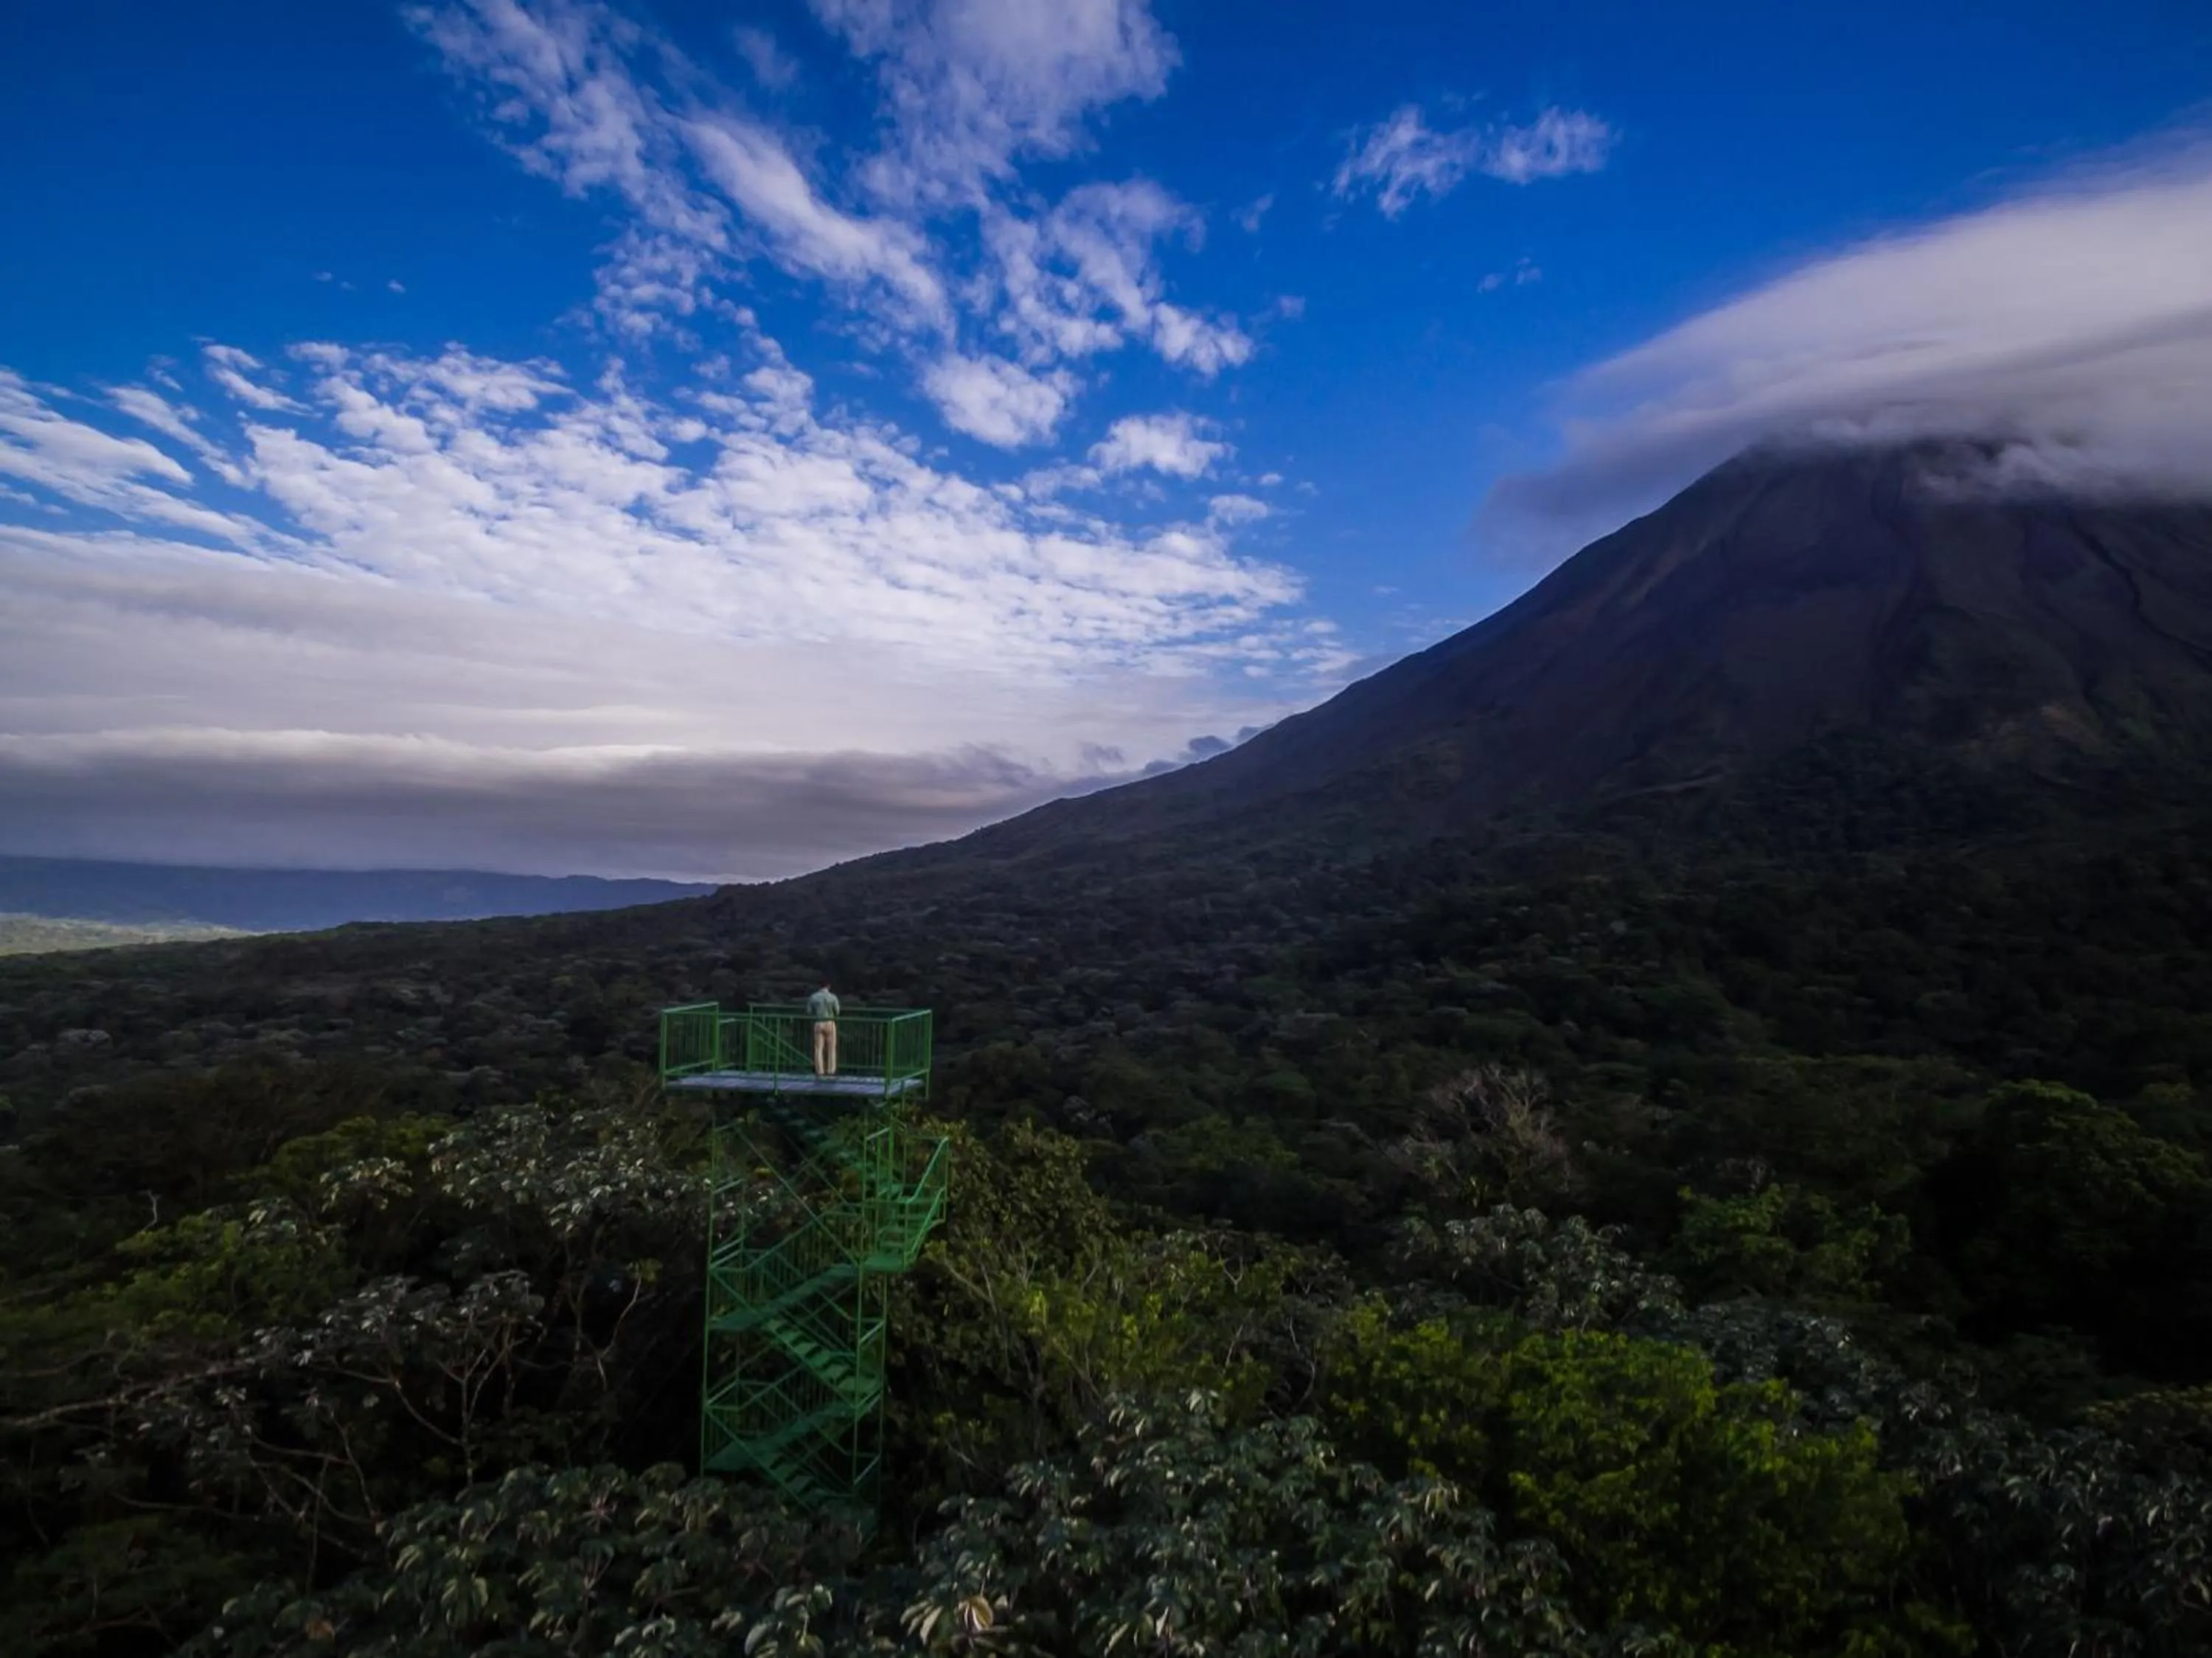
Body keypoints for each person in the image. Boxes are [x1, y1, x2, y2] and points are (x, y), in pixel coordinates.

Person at [806, 981, 841, 1076]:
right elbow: (837, 1011)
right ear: (828, 986)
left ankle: (820, 1071)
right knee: (831, 1048)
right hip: (830, 1022)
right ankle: (831, 1070)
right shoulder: (833, 997)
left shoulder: (813, 997)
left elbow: (809, 1011)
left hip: (819, 1022)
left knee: (818, 1048)